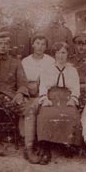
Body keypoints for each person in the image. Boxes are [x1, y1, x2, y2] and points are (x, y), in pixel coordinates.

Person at [36, 42, 81, 164]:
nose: (60, 56)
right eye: (57, 52)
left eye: (63, 52)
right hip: (51, 96)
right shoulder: (47, 69)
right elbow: (43, 86)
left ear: (67, 54)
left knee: (72, 115)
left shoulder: (72, 70)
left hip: (66, 97)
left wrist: (73, 98)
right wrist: (45, 98)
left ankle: (66, 144)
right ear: (54, 54)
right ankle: (45, 147)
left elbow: (76, 88)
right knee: (46, 115)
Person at [20, 34, 54, 164]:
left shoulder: (50, 61)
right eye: (37, 43)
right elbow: (22, 81)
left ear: (46, 47)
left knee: (37, 107)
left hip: (45, 93)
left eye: (43, 44)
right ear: (33, 44)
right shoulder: (25, 61)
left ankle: (38, 143)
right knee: (30, 107)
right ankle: (30, 144)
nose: (40, 47)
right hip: (29, 92)